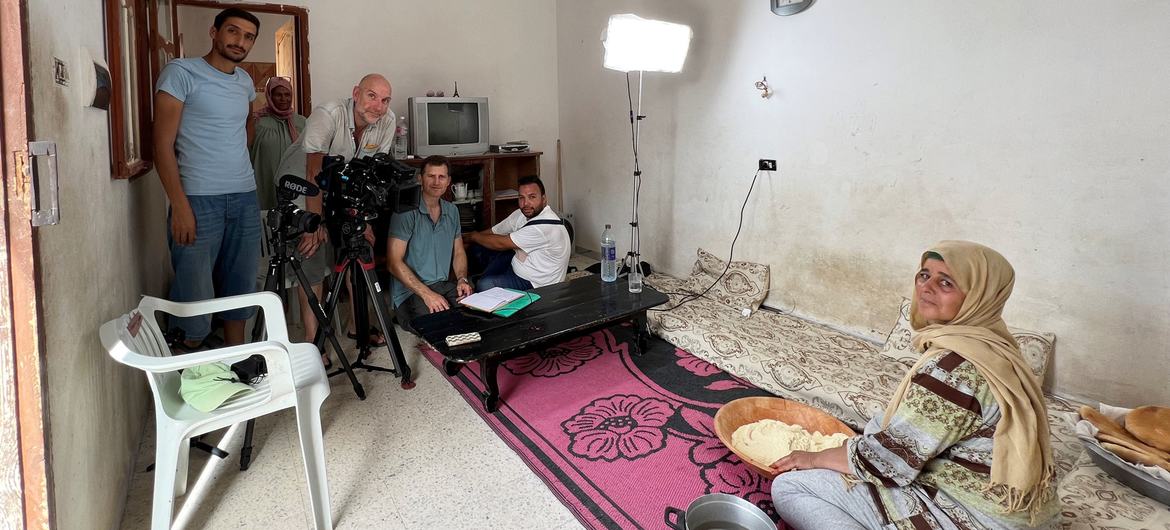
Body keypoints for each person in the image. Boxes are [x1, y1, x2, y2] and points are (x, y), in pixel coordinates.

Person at [769, 240, 1058, 530]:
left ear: (979, 297)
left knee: (791, 487)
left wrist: (812, 458)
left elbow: (891, 460)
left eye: (946, 282)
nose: (926, 287)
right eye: (924, 275)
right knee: (877, 425)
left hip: (974, 514)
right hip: (1018, 511)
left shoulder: (955, 370)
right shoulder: (995, 347)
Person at [153, 8, 261, 350]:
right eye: (233, 31)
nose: (239, 41)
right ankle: (192, 369)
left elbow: (246, 129)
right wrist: (180, 205)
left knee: (241, 284)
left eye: (248, 37)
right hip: (198, 200)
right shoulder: (181, 72)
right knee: (194, 290)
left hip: (245, 196)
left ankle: (235, 360)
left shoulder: (244, 81)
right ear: (214, 32)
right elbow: (161, 146)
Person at [285, 73, 397, 355]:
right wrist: (315, 223)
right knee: (313, 254)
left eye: (385, 100)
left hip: (342, 184)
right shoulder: (328, 114)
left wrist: (362, 220)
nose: (378, 106)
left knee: (359, 249)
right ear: (356, 93)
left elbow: (368, 174)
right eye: (372, 96)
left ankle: (357, 327)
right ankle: (314, 344)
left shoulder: (387, 120)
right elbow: (313, 171)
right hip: (301, 184)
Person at [386, 155, 473, 332]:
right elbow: (393, 263)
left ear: (448, 181)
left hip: (442, 285)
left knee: (475, 312)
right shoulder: (405, 212)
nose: (436, 182)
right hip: (411, 293)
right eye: (430, 176)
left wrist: (462, 279)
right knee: (440, 326)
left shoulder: (452, 210)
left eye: (441, 177)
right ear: (420, 178)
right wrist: (427, 295)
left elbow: (458, 252)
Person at [464, 176, 570, 291]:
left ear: (544, 199)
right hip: (519, 262)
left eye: (532, 197)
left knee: (484, 285)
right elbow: (494, 231)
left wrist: (473, 236)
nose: (526, 203)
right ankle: (484, 279)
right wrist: (465, 239)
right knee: (479, 247)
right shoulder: (523, 214)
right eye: (521, 198)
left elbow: (500, 243)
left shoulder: (544, 226)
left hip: (536, 283)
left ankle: (485, 282)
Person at [250, 76, 306, 211]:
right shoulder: (257, 122)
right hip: (265, 182)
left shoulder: (301, 122)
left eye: (287, 94)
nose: (283, 99)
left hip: (295, 182)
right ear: (269, 96)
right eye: (278, 95)